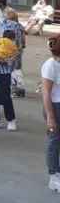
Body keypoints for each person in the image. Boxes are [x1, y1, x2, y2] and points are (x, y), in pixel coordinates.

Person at [42, 36, 60, 193]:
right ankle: (54, 177)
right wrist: (50, 117)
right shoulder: (50, 65)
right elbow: (46, 92)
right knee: (54, 142)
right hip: (55, 105)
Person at [0, 7, 27, 96]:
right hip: (17, 50)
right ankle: (18, 89)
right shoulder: (19, 26)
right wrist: (21, 47)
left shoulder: (1, 24)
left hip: (4, 49)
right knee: (16, 69)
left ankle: (11, 88)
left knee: (8, 69)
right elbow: (22, 41)